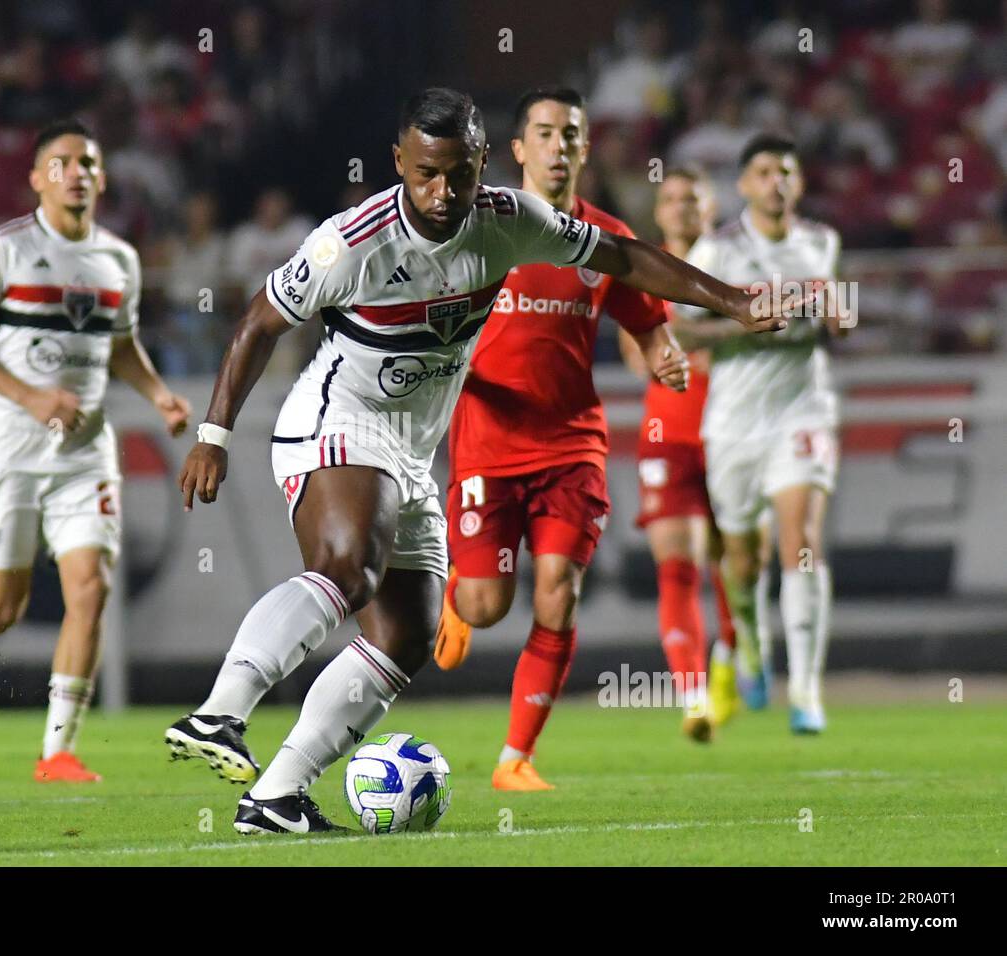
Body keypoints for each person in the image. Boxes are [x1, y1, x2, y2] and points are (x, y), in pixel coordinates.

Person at [169, 88, 791, 835]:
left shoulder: (509, 221)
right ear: (398, 161)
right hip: (335, 418)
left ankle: (276, 795)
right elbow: (260, 323)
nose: (442, 192)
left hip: (409, 448)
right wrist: (213, 435)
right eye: (426, 173)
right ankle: (219, 712)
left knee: (407, 633)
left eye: (458, 174)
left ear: (483, 164)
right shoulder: (352, 242)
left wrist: (730, 300)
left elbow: (623, 257)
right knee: (348, 566)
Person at [0, 119, 191, 780]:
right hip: (8, 449)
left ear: (103, 178)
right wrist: (30, 396)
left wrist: (159, 395)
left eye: (89, 162)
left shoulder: (119, 259)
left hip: (85, 453)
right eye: (62, 162)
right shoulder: (0, 249)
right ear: (36, 178)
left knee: (89, 588)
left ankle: (57, 750)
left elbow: (120, 343)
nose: (77, 172)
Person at [431, 87, 688, 794]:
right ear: (516, 150)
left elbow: (647, 330)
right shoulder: (480, 231)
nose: (558, 145)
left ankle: (516, 756)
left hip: (573, 446)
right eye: (543, 132)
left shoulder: (604, 239)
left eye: (570, 133)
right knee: (489, 606)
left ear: (584, 146)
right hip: (487, 446)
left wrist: (661, 358)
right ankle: (460, 590)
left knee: (559, 591)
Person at [671, 134, 844, 734]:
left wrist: (839, 316)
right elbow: (682, 333)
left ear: (797, 183)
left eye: (786, 172)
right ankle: (749, 643)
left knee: (803, 539)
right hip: (735, 421)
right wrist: (743, 321)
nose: (776, 182)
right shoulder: (715, 250)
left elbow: (837, 315)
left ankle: (807, 690)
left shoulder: (821, 242)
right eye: (764, 172)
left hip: (804, 410)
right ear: (743, 185)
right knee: (743, 562)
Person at [618, 167, 745, 728]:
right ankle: (693, 694)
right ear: (659, 210)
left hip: (734, 431)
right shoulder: (641, 269)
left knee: (736, 567)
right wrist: (726, 326)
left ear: (711, 205)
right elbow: (635, 354)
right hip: (667, 435)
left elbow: (765, 331)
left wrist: (677, 335)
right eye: (670, 198)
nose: (681, 207)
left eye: (692, 197)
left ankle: (729, 665)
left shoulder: (740, 264)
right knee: (678, 565)